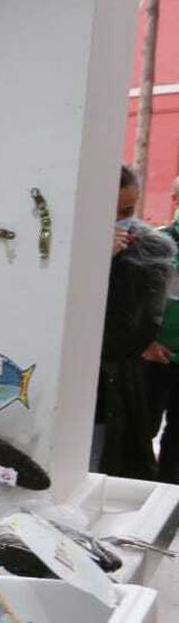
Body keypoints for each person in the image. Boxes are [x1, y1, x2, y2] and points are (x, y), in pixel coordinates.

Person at [97, 165, 174, 479]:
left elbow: (135, 324)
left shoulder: (149, 250)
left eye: (127, 210)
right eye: (111, 212)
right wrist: (96, 261)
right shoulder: (62, 250)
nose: (121, 221)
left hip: (119, 382)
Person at [143, 177, 179, 481]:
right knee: (143, 429)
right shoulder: (157, 244)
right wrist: (146, 342)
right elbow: (134, 300)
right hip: (154, 357)